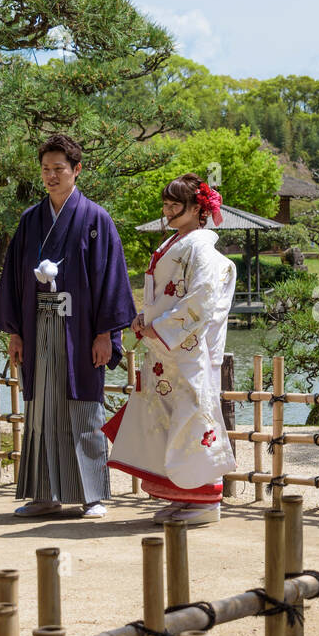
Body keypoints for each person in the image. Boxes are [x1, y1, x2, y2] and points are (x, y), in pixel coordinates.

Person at [0, 134, 137, 518]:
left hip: (82, 329)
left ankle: (93, 495)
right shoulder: (30, 220)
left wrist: (107, 333)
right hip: (37, 326)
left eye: (59, 169)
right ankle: (45, 493)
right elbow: (14, 281)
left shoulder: (95, 220)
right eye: (45, 169)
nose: (51, 176)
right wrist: (15, 332)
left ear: (76, 170)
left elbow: (110, 279)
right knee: (40, 411)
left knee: (83, 407)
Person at [103, 173, 238, 526]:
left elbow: (202, 301)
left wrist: (158, 328)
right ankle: (182, 496)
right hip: (167, 352)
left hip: (186, 352)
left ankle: (206, 499)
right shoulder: (178, 244)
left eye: (175, 205)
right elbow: (166, 296)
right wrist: (143, 318)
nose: (168, 211)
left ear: (197, 208)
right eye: (165, 205)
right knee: (167, 421)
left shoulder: (201, 248)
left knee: (193, 420)